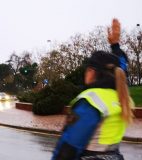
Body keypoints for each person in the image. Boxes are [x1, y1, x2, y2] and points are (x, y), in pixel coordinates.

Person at [52, 19, 134, 160]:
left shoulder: (91, 100)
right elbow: (121, 69)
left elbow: (69, 148)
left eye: (89, 68)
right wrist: (115, 45)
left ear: (95, 72)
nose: (86, 72)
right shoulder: (121, 97)